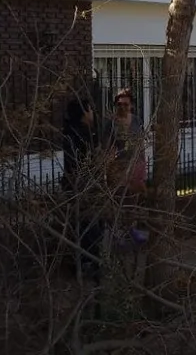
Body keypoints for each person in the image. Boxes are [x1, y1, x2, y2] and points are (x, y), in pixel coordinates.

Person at [61, 96, 103, 281]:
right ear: (84, 113)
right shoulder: (79, 135)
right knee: (89, 226)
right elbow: (79, 164)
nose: (93, 113)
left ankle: (89, 261)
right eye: (90, 110)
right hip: (83, 188)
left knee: (89, 226)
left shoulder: (82, 132)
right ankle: (89, 263)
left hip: (84, 186)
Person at [101, 89, 148, 245]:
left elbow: (141, 142)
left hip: (135, 164)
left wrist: (142, 162)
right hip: (118, 166)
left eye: (125, 104)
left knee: (131, 200)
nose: (122, 107)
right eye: (119, 104)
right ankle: (116, 232)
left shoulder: (136, 121)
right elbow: (106, 146)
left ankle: (130, 229)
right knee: (118, 199)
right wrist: (109, 167)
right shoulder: (111, 123)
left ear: (131, 105)